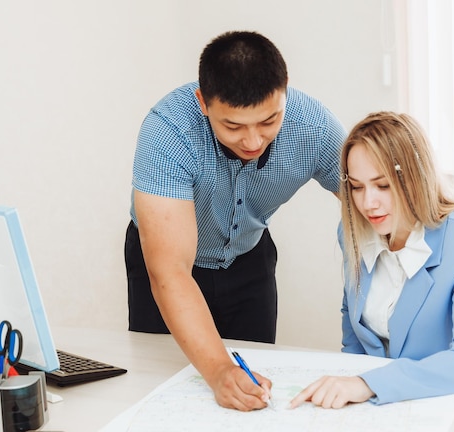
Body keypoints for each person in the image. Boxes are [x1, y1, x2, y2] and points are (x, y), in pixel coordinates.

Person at [124, 30, 346, 411]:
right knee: (167, 390)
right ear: (203, 103)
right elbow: (171, 273)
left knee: (254, 388)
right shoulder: (168, 131)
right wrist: (218, 370)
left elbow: (370, 197)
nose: (253, 141)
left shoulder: (314, 126)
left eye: (269, 121)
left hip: (249, 260)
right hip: (169, 267)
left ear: (285, 91)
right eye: (233, 127)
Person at [290, 111, 454, 409]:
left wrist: (369, 384)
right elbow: (354, 333)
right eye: (357, 187)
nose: (368, 203)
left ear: (416, 178)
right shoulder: (353, 232)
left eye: (382, 185)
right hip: (389, 407)